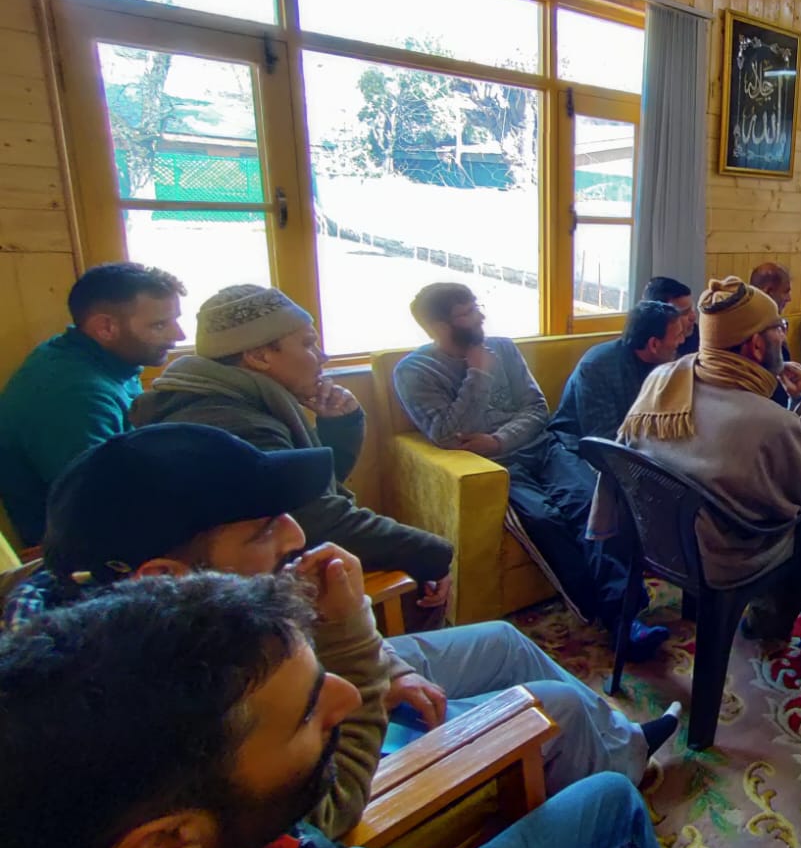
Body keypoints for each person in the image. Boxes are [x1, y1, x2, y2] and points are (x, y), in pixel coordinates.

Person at [0, 573, 758, 848]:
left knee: (610, 800)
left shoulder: (234, 840)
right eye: (306, 713)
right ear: (165, 845)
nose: (347, 702)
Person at [8, 424, 678, 810]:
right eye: (266, 529)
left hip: (325, 684)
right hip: (347, 772)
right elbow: (323, 816)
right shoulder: (127, 713)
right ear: (162, 577)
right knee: (552, 704)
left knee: (504, 638)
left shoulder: (137, 607)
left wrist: (379, 663)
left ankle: (616, 746)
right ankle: (613, 788)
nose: (297, 536)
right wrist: (361, 654)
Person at [393, 284, 666, 661]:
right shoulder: (414, 372)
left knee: (592, 501)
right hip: (499, 470)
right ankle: (614, 616)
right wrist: (478, 374)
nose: (480, 316)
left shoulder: (503, 347)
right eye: (468, 312)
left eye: (477, 306)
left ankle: (626, 619)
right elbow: (444, 433)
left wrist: (496, 440)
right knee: (545, 519)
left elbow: (538, 409)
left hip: (542, 447)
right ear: (439, 326)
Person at [128, 285, 454, 600]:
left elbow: (308, 491)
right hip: (251, 599)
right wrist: (434, 553)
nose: (322, 356)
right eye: (308, 344)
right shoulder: (232, 424)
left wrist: (340, 424)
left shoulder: (231, 401)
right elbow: (315, 520)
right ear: (258, 356)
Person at [593, 276, 801, 638]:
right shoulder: (769, 421)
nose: (783, 337)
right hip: (724, 557)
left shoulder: (664, 379)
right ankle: (766, 625)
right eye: (779, 329)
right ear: (754, 345)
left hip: (656, 539)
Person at [0, 262, 185, 545]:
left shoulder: (99, 359)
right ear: (105, 327)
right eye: (159, 325)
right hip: (82, 554)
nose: (178, 336)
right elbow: (101, 505)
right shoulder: (75, 395)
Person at [549, 301, 688, 446]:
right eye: (677, 335)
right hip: (574, 445)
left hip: (632, 447)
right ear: (654, 344)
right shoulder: (597, 367)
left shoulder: (668, 363)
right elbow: (604, 441)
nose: (682, 340)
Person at [749, 260, 801, 407]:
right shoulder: (755, 331)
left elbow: (777, 368)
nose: (789, 298)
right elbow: (765, 388)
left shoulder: (774, 323)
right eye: (786, 291)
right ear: (768, 291)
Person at [642, 275, 699, 355]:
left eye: (692, 308)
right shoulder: (642, 348)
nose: (693, 317)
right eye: (685, 313)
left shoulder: (700, 336)